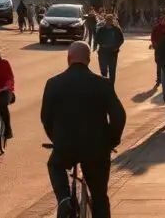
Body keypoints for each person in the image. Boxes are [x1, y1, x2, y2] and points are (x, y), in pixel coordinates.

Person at [42, 42, 126, 218]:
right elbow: (119, 115)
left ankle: (64, 199)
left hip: (66, 146)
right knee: (99, 197)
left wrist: (56, 139)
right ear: (88, 60)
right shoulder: (102, 84)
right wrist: (111, 140)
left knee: (55, 165)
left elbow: (46, 117)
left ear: (68, 58)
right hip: (96, 149)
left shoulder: (54, 83)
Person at [94, 14, 125, 87]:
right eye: (107, 20)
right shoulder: (101, 30)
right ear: (105, 20)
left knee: (112, 70)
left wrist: (116, 47)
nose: (108, 21)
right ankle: (104, 84)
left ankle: (111, 86)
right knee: (103, 70)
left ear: (112, 21)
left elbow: (121, 39)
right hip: (103, 51)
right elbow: (97, 39)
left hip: (112, 52)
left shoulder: (116, 30)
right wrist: (97, 45)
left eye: (110, 20)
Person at [150, 16, 165, 86]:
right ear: (160, 21)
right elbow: (152, 37)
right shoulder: (156, 28)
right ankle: (159, 79)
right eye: (163, 20)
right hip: (158, 48)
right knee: (158, 63)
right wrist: (154, 44)